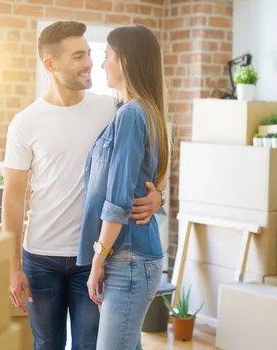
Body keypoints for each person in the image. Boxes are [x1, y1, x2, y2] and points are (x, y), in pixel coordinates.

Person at [2, 21, 164, 350]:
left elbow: (144, 157)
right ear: (50, 64)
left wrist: (157, 194)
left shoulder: (112, 109)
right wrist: (13, 266)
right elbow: (13, 198)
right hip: (40, 257)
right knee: (46, 345)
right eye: (78, 56)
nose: (90, 62)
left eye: (90, 53)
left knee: (89, 346)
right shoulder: (25, 123)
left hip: (91, 259)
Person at [76, 25, 169, 350]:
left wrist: (98, 259)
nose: (102, 65)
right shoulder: (145, 111)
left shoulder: (131, 114)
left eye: (107, 57)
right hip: (135, 255)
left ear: (125, 62)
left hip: (127, 257)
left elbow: (118, 199)